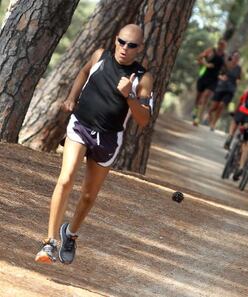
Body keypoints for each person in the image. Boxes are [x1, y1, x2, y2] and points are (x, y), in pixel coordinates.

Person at [35, 24, 153, 264]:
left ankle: (69, 234)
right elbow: (83, 72)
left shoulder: (143, 77)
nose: (124, 48)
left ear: (139, 49)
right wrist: (71, 97)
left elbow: (143, 119)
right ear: (115, 39)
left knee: (88, 196)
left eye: (131, 45)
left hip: (109, 137)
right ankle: (49, 243)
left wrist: (128, 95)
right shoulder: (100, 56)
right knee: (66, 178)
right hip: (80, 125)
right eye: (121, 42)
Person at [192, 39, 226, 126]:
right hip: (204, 76)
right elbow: (198, 58)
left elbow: (224, 69)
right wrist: (206, 64)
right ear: (218, 44)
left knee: (205, 97)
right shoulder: (211, 51)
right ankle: (195, 112)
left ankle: (198, 118)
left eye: (224, 46)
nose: (222, 47)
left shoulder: (224, 56)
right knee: (198, 97)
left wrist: (222, 76)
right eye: (221, 45)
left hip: (214, 80)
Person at [207, 50, 242, 131]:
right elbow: (219, 73)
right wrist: (222, 77)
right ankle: (209, 114)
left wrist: (238, 81)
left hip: (230, 90)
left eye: (238, 58)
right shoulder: (226, 64)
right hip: (221, 87)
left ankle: (213, 124)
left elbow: (239, 78)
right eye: (235, 57)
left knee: (221, 106)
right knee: (213, 107)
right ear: (232, 57)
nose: (236, 59)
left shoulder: (239, 68)